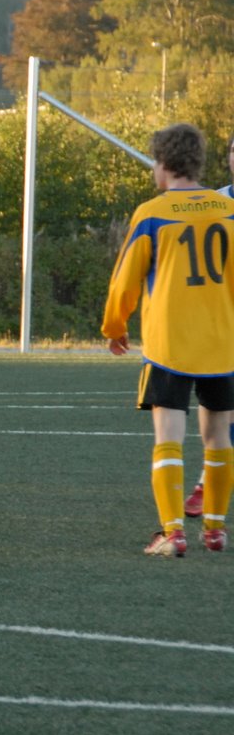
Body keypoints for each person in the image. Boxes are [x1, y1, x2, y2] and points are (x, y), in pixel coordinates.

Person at [102, 123, 234, 557]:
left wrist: (114, 327)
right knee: (219, 438)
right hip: (222, 345)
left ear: (163, 164)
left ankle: (172, 532)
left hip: (169, 347)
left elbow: (125, 281)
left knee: (168, 438)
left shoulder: (152, 214)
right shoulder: (228, 210)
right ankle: (215, 529)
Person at [187, 131, 234, 519]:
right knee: (224, 412)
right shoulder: (215, 202)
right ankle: (208, 485)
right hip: (221, 323)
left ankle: (207, 484)